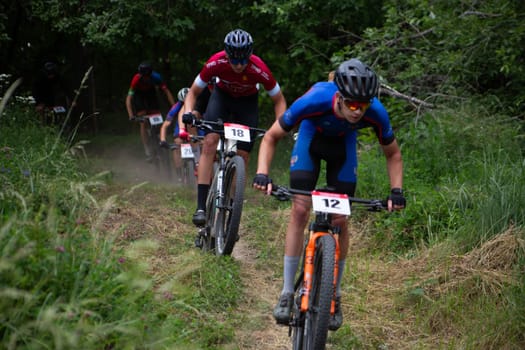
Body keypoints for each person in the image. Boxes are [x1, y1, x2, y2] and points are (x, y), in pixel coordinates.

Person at [252, 59, 406, 330]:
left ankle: (334, 293)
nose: (359, 112)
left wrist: (396, 191)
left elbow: (393, 154)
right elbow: (270, 137)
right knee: (300, 209)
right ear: (340, 98)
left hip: (343, 148)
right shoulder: (315, 99)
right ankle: (287, 292)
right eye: (353, 105)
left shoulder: (376, 112)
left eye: (364, 105)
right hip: (311, 139)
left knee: (340, 219)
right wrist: (263, 173)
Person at [180, 28, 287, 226]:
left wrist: (280, 126)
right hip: (222, 98)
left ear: (250, 56)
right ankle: (201, 206)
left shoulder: (259, 68)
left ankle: (232, 204)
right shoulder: (216, 62)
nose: (239, 65)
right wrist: (188, 111)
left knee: (243, 156)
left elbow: (279, 100)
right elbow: (193, 92)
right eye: (234, 61)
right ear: (227, 56)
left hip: (247, 104)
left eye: (243, 61)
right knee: (210, 142)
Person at [126, 62, 175, 160]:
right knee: (143, 120)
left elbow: (167, 92)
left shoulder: (156, 77)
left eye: (148, 76)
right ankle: (147, 148)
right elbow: (129, 98)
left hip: (150, 94)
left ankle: (159, 136)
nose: (146, 78)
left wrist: (174, 107)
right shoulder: (136, 79)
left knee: (156, 115)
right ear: (141, 75)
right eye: (144, 77)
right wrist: (131, 115)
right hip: (139, 96)